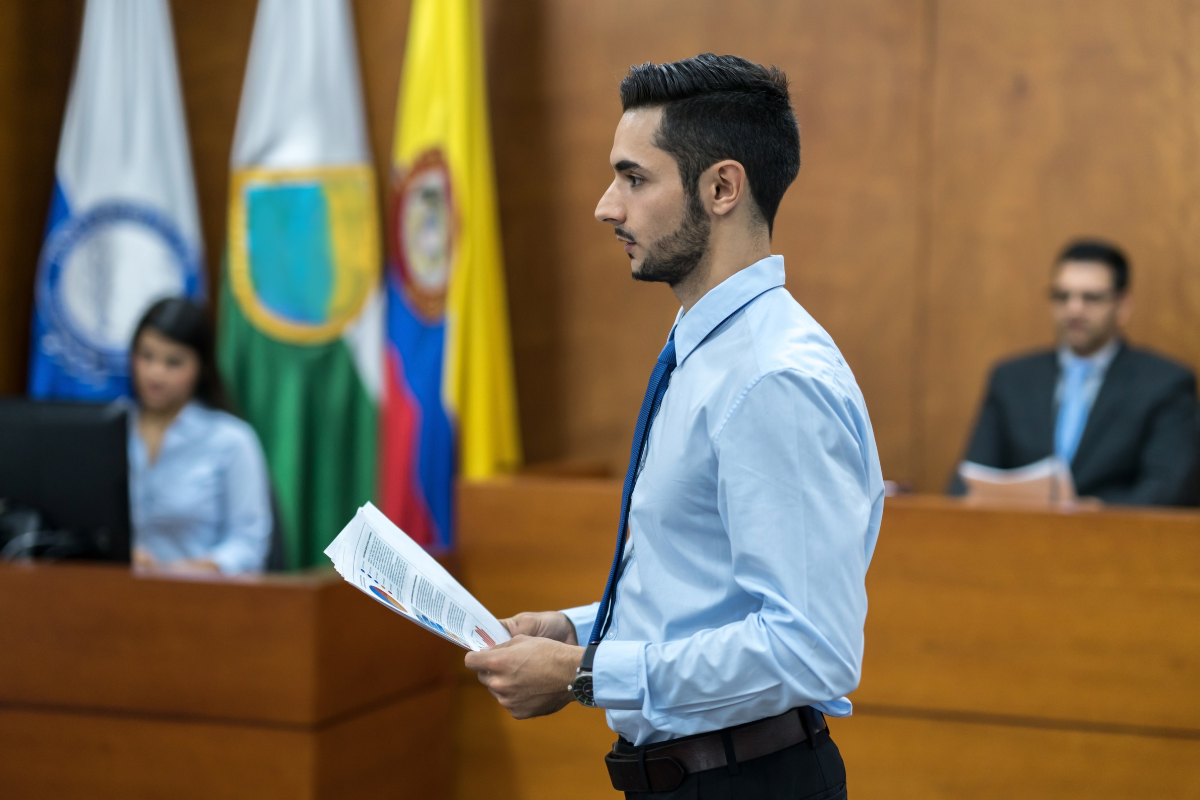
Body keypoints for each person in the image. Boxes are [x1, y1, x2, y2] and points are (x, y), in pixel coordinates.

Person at [464, 54, 883, 799]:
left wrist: (587, 674)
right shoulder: (712, 348)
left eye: (633, 178)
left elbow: (811, 648)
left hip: (747, 781)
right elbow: (704, 592)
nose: (605, 207)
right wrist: (578, 632)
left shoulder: (770, 377)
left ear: (721, 187)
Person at [950, 240, 1199, 506]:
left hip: (1116, 541)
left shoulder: (1164, 384)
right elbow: (969, 482)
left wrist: (1100, 514)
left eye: (1091, 298)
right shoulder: (1012, 379)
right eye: (1062, 296)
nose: (1074, 309)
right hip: (1020, 539)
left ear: (1123, 305)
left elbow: (1170, 488)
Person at [127, 297, 274, 574]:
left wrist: (192, 569)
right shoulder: (111, 429)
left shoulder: (232, 440)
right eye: (146, 356)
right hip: (117, 593)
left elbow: (249, 545)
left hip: (205, 598)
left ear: (201, 366)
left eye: (173, 362)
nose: (155, 373)